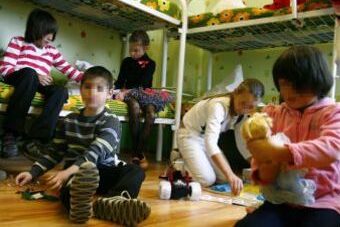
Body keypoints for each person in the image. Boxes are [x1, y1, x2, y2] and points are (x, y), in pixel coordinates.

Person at [15, 66, 150, 225]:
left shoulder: (111, 120)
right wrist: (33, 173)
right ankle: (79, 208)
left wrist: (65, 173)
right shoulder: (69, 120)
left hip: (104, 171)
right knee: (67, 191)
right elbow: (54, 153)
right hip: (79, 176)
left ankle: (116, 200)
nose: (92, 93)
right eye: (87, 87)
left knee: (135, 171)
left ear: (109, 93)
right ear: (80, 89)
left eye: (99, 88)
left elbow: (95, 152)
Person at [236, 45, 340, 227]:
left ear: (318, 80)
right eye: (284, 84)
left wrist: (279, 152)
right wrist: (264, 163)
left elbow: (334, 147)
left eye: (299, 84)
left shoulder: (334, 112)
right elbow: (264, 170)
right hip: (280, 201)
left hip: (323, 203)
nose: (290, 92)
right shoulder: (273, 114)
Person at [0, 9, 81, 159]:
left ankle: (36, 139)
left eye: (53, 34)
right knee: (30, 74)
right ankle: (11, 133)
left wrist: (95, 80)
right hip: (21, 77)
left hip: (40, 83)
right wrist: (37, 76)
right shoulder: (18, 41)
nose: (51, 38)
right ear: (35, 29)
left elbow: (70, 71)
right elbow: (5, 69)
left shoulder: (52, 51)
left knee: (61, 91)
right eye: (47, 33)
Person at [177, 79, 265, 195]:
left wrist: (256, 165)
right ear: (235, 94)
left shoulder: (242, 115)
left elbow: (242, 145)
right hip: (189, 135)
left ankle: (195, 161)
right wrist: (231, 175)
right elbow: (211, 143)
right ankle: (178, 163)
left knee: (224, 179)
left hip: (205, 139)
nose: (244, 109)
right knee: (207, 180)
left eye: (250, 107)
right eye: (242, 103)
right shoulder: (218, 106)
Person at [114, 30, 172, 169]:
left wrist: (128, 90)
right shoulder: (126, 62)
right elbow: (121, 80)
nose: (132, 53)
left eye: (136, 50)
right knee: (134, 107)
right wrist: (114, 90)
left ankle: (137, 151)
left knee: (151, 114)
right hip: (129, 94)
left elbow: (144, 84)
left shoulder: (150, 64)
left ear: (146, 48)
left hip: (144, 93)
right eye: (131, 50)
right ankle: (138, 154)